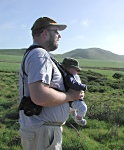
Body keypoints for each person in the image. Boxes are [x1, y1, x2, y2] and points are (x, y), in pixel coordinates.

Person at [18, 17, 84, 150]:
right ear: (45, 33)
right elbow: (40, 96)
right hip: (42, 133)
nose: (59, 36)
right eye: (56, 31)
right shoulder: (39, 55)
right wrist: (71, 96)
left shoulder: (38, 54)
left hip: (42, 132)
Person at [61, 57, 87, 126]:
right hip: (73, 100)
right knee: (83, 108)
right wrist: (83, 87)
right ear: (68, 68)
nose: (77, 71)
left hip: (72, 100)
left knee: (75, 108)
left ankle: (73, 112)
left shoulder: (71, 76)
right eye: (76, 69)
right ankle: (79, 119)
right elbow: (73, 84)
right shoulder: (69, 77)